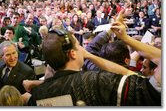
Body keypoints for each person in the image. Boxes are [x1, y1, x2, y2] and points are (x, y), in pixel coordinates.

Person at [27, 25, 161, 106]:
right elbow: (151, 89)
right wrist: (127, 39)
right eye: (79, 45)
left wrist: (90, 55)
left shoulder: (37, 96)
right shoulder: (96, 81)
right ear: (73, 54)